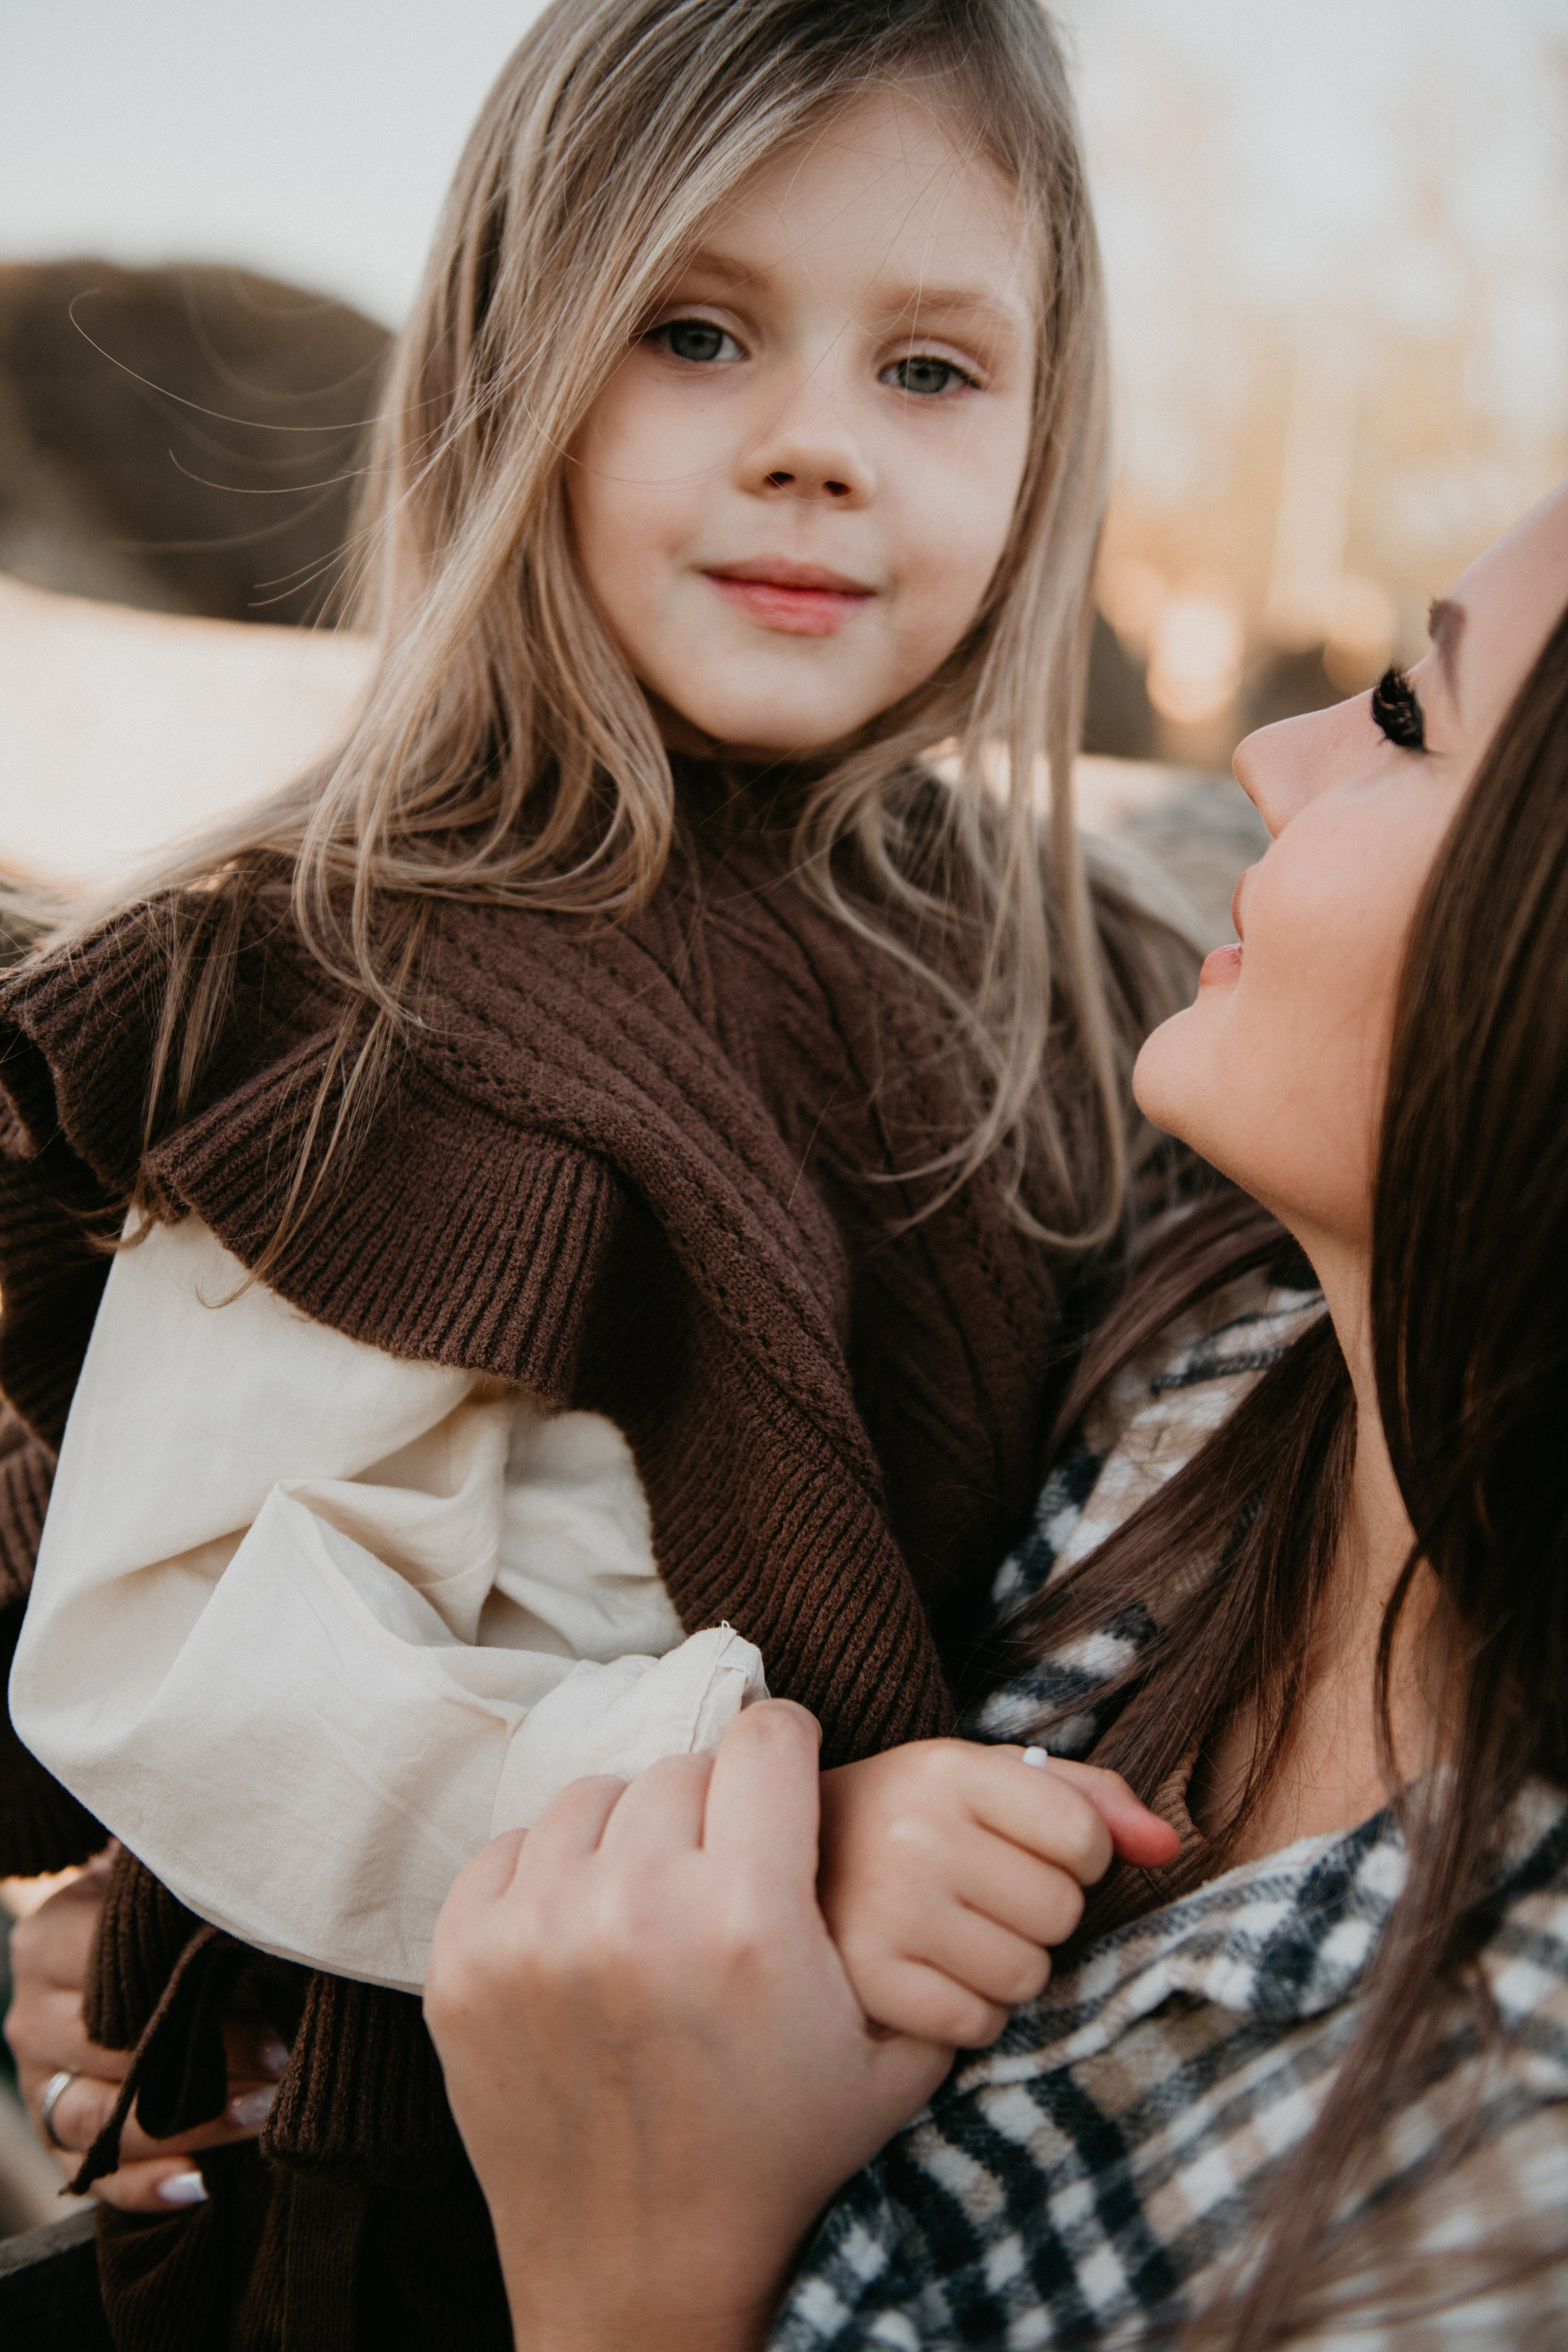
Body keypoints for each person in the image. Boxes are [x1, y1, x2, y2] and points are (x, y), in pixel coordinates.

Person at [0, 0, 1196, 2338]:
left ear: (1049, 443)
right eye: (700, 330)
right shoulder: (379, 985)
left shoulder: (1071, 970)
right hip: (428, 2213)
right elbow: (176, 1657)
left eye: (932, 372)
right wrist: (773, 1844)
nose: (819, 451)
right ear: (505, 370)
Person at [417, 480, 1568, 2348]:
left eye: (1412, 719)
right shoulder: (1191, 1356)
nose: (1272, 759)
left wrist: (625, 2285)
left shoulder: (1510, 2197)